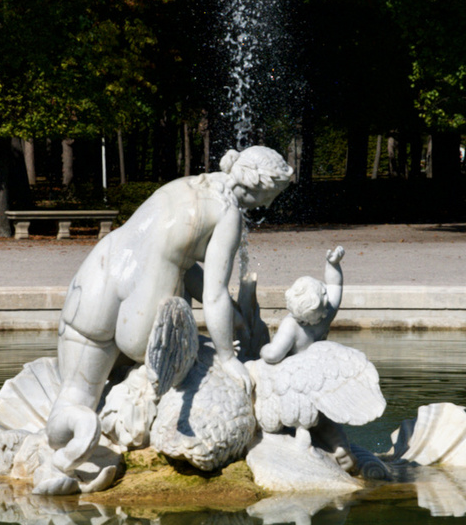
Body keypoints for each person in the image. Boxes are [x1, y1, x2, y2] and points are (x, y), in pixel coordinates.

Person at [41, 146, 293, 491]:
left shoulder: (187, 185)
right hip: (144, 314)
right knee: (197, 362)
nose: (267, 206)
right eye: (271, 196)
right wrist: (227, 357)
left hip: (97, 281)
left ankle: (74, 437)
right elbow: (214, 294)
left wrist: (231, 310)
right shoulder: (228, 214)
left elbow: (176, 256)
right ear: (258, 187)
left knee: (75, 394)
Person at [259, 245, 345, 364]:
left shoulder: (291, 325)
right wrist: (333, 264)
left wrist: (263, 349)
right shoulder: (325, 314)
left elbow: (273, 355)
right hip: (315, 365)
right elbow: (335, 285)